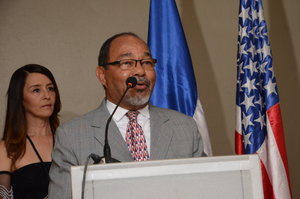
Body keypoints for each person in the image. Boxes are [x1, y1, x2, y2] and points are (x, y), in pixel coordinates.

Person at [48, 32, 206, 199]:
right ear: (102, 75)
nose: (140, 71)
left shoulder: (185, 127)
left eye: (147, 62)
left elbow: (205, 190)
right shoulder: (71, 135)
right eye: (127, 63)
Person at [0, 64, 61, 199]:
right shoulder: (6, 149)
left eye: (50, 88)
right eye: (36, 90)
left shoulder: (68, 139)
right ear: (19, 98)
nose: (47, 96)